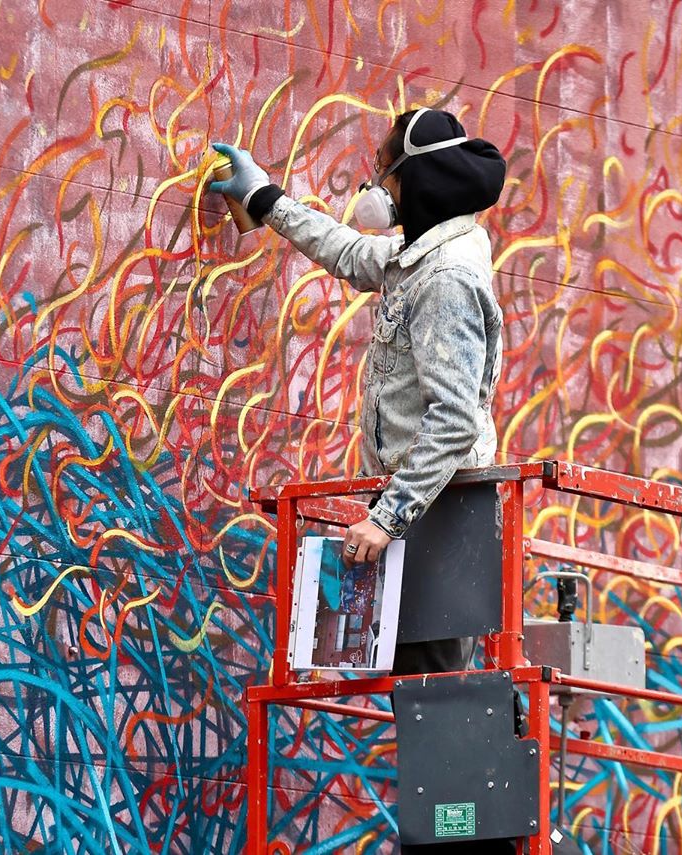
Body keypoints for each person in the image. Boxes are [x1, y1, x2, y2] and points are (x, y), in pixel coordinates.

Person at [214, 109, 513, 853]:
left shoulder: (445, 279)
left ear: (417, 181)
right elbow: (352, 252)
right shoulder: (425, 256)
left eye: (387, 169)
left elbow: (449, 421)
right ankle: (450, 841)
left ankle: (462, 844)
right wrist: (267, 202)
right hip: (429, 510)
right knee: (429, 694)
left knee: (442, 695)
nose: (378, 185)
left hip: (444, 512)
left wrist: (387, 517)